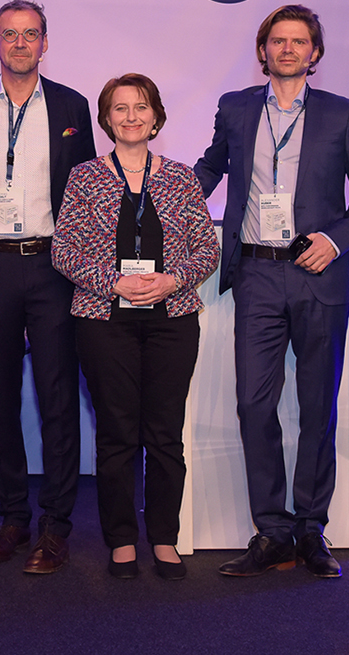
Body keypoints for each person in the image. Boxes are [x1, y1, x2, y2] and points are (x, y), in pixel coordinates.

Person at [194, 4, 349, 580]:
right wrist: (155, 198)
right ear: (263, 50)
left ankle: (311, 528)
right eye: (278, 40)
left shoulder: (343, 113)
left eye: (299, 41)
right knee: (254, 404)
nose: (288, 49)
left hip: (317, 273)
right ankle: (272, 531)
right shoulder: (235, 108)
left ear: (314, 53)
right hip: (255, 274)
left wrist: (335, 239)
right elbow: (208, 169)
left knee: (317, 406)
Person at [0, 0, 96, 574]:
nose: (19, 43)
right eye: (9, 35)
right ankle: (12, 516)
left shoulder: (72, 106)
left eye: (30, 34)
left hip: (55, 265)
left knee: (58, 398)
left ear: (45, 43)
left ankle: (55, 525)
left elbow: (86, 192)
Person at [51, 73, 218, 581]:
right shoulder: (85, 177)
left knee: (165, 434)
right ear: (106, 119)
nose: (131, 117)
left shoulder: (182, 178)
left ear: (156, 117)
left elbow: (206, 249)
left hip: (172, 320)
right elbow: (63, 250)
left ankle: (164, 537)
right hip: (105, 321)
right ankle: (121, 539)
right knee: (117, 433)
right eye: (120, 108)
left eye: (140, 107)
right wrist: (114, 283)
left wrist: (173, 280)